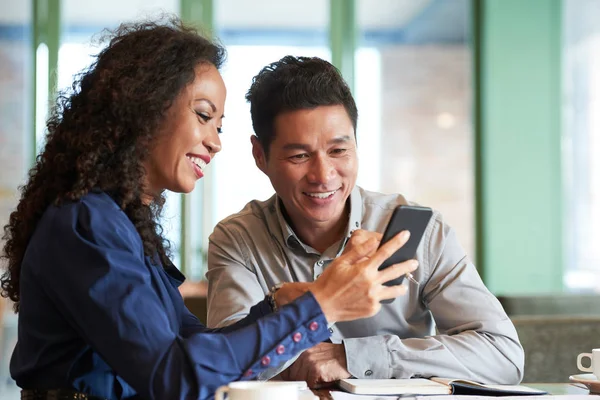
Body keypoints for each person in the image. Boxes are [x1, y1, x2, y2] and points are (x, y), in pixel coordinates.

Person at [0, 20, 419, 400]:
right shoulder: (86, 223)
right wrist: (323, 304)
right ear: (143, 107)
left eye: (218, 126)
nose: (216, 142)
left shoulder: (123, 224)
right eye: (203, 116)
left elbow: (195, 349)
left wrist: (277, 306)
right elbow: (176, 376)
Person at [206, 55, 525, 387]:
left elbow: (502, 355)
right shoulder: (238, 240)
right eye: (300, 155)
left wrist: (354, 357)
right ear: (261, 156)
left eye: (339, 151)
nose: (324, 175)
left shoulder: (418, 233)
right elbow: (220, 365)